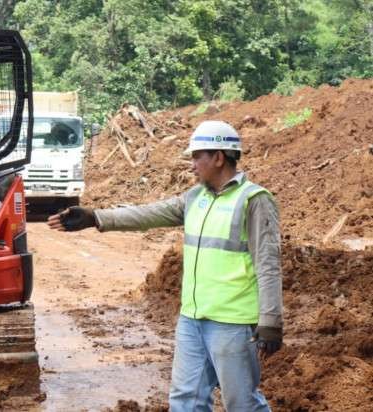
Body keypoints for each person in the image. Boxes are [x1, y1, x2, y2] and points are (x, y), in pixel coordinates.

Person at [48, 120, 282, 411]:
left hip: (232, 323)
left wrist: (270, 321)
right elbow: (149, 214)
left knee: (242, 404)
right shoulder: (196, 197)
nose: (193, 164)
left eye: (197, 156)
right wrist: (95, 217)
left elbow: (268, 264)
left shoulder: (254, 200)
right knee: (185, 401)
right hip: (192, 319)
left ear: (219, 157)